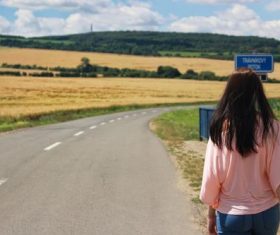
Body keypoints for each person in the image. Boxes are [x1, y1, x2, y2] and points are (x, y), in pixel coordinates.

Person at [200, 68, 280, 235]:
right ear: (257, 93)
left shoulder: (220, 130)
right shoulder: (273, 128)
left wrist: (211, 217)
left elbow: (212, 178)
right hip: (267, 213)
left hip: (231, 214)